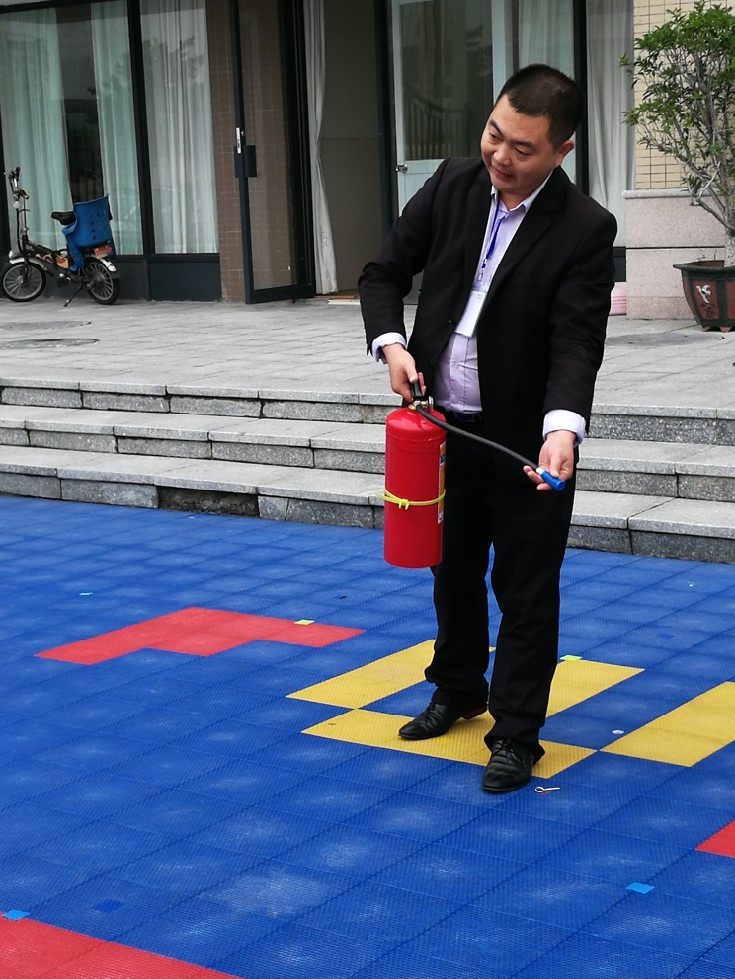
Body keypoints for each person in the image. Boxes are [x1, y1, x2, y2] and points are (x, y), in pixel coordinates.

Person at [359, 64, 616, 793]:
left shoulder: (585, 228)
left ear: (561, 150)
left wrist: (562, 430)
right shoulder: (452, 183)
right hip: (444, 428)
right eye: (493, 134)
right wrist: (392, 344)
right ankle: (457, 685)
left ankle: (516, 733)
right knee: (452, 569)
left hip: (523, 441)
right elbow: (382, 272)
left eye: (522, 148)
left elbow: (576, 340)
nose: (500, 155)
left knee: (526, 588)